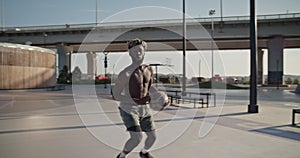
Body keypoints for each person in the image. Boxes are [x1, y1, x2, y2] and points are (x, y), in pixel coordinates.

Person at [112, 38, 157, 158]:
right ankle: (121, 156)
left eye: (140, 51)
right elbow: (115, 94)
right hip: (128, 108)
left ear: (144, 52)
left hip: (144, 108)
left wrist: (160, 97)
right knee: (137, 138)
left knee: (152, 137)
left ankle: (144, 152)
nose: (138, 53)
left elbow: (149, 86)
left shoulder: (149, 70)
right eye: (134, 51)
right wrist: (135, 101)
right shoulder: (125, 73)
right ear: (130, 53)